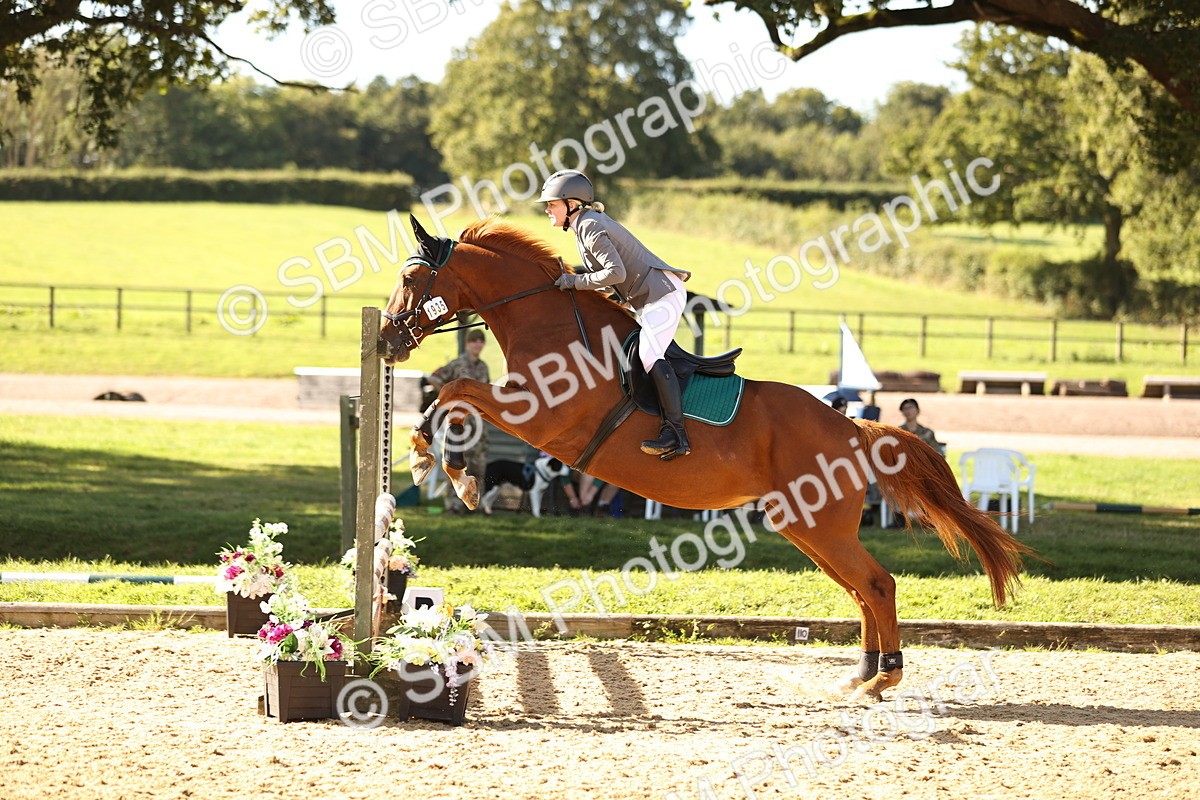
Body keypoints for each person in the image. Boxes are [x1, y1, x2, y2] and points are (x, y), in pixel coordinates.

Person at [537, 169, 693, 461]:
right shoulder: (584, 225)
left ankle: (676, 433)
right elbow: (612, 281)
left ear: (572, 204)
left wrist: (573, 281)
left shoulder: (590, 226)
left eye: (553, 203)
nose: (547, 208)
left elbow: (614, 273)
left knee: (648, 355)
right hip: (648, 300)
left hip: (662, 296)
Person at [428, 328, 490, 513]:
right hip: (459, 426)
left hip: (478, 427)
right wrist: (449, 400)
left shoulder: (483, 367)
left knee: (478, 467)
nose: (477, 344)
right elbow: (434, 378)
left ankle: (474, 505)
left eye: (481, 341)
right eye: (474, 341)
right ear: (467, 343)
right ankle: (453, 506)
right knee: (456, 465)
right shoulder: (457, 364)